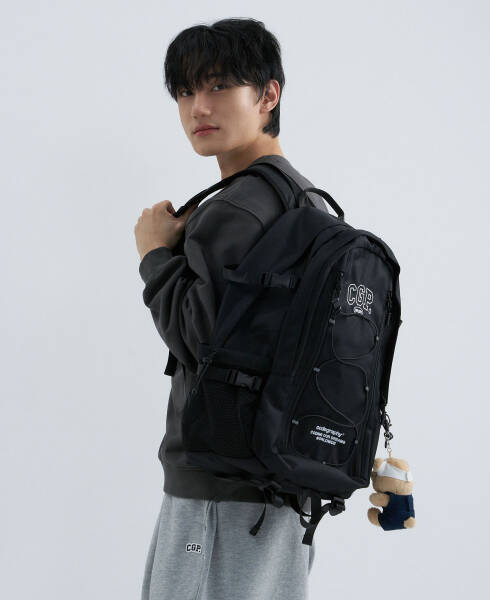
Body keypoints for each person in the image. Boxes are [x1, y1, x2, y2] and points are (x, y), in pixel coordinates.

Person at [134, 17, 329, 600]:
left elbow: (201, 341)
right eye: (185, 91)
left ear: (268, 95)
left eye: (219, 85)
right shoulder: (308, 203)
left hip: (217, 493)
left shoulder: (235, 210)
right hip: (287, 486)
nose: (199, 107)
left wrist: (153, 254)